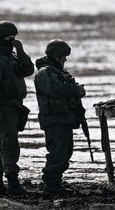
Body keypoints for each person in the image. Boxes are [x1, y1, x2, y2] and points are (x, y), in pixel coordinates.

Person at [0, 21, 34, 195]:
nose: (12, 41)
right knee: (9, 144)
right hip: (3, 107)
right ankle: (12, 182)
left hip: (14, 105)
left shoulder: (11, 57)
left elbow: (27, 70)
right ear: (0, 39)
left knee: (1, 144)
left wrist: (20, 50)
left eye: (14, 39)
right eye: (9, 38)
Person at [34, 40, 86, 196]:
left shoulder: (56, 71)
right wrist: (75, 90)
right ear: (57, 56)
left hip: (63, 119)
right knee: (58, 153)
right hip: (54, 120)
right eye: (63, 56)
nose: (65, 59)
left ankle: (55, 184)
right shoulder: (45, 72)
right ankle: (51, 186)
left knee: (65, 153)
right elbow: (54, 89)